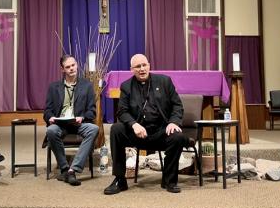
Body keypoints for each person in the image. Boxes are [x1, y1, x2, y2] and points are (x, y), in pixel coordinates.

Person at [104, 54, 187, 195]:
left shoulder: (164, 81)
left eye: (144, 65)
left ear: (149, 65)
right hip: (138, 133)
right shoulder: (126, 86)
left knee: (177, 136)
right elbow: (122, 111)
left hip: (161, 131)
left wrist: (173, 122)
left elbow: (177, 106)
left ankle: (169, 180)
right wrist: (134, 124)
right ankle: (120, 179)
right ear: (132, 69)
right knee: (116, 129)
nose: (142, 69)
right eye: (138, 66)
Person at [44, 55, 98, 186]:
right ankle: (64, 168)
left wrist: (83, 117)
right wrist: (50, 117)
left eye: (73, 65)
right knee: (51, 131)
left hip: (78, 123)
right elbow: (47, 110)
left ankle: (73, 169)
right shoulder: (54, 87)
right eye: (67, 67)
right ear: (62, 69)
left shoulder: (87, 85)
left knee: (94, 129)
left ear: (76, 65)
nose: (71, 69)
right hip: (60, 124)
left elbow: (92, 111)